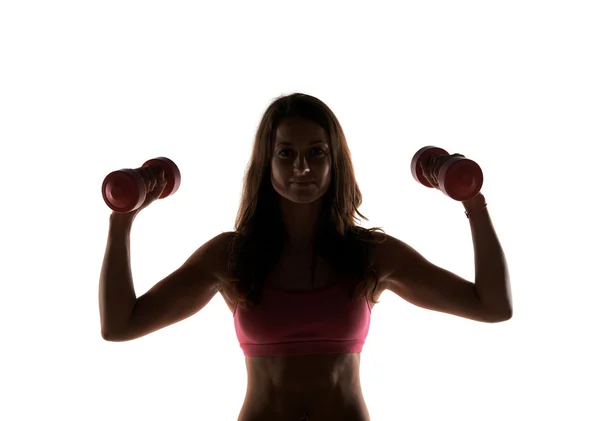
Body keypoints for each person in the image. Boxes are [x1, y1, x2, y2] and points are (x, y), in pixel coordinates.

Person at [99, 93, 513, 421]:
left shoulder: (371, 255)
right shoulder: (231, 257)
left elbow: (492, 306)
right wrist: (123, 221)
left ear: (335, 162)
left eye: (317, 152)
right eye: (286, 153)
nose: (302, 166)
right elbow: (121, 325)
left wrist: (474, 204)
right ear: (267, 162)